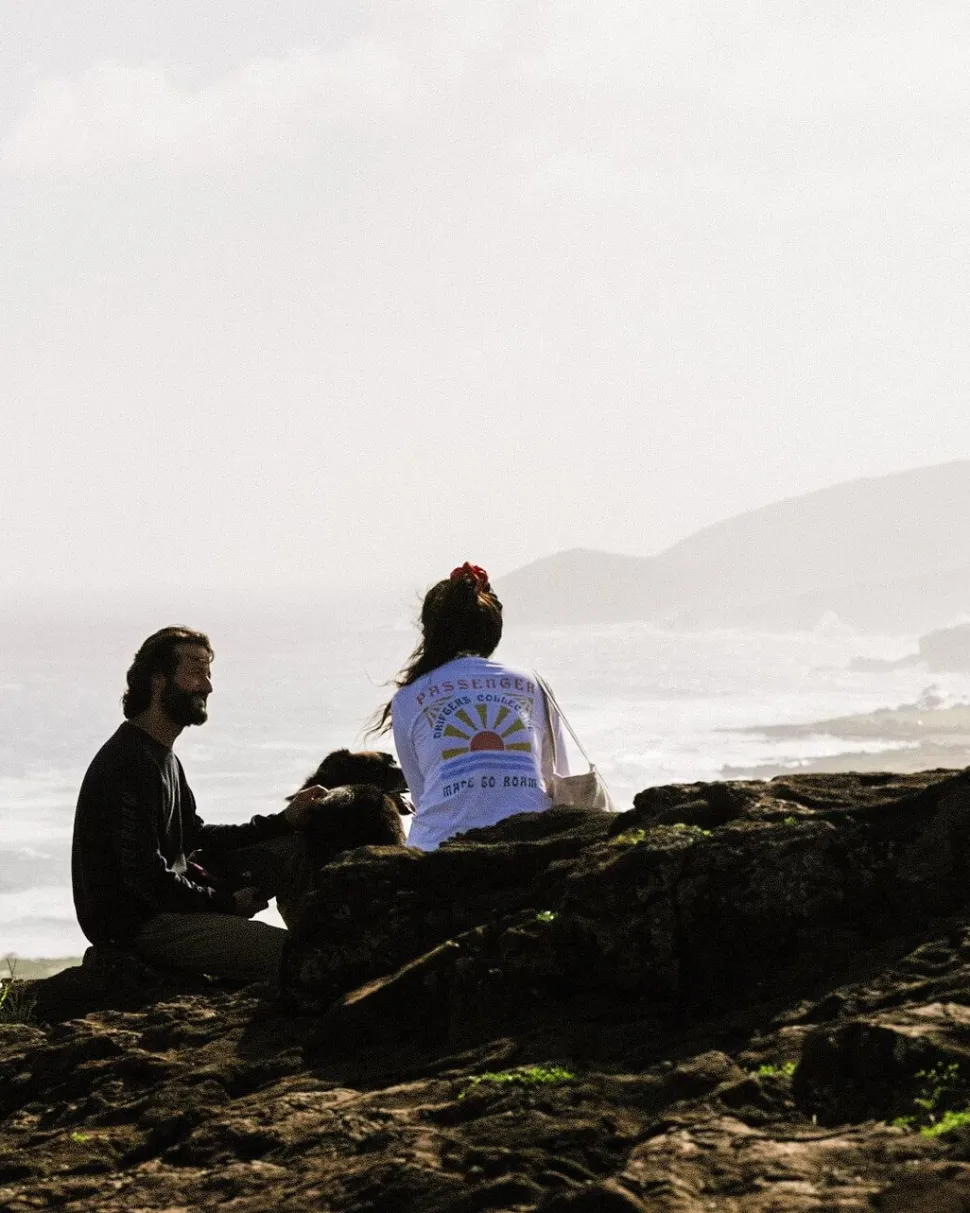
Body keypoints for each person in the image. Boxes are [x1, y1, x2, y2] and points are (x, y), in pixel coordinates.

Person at [71, 626, 322, 986]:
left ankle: (321, 938)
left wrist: (283, 821)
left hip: (173, 901)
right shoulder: (128, 762)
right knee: (293, 954)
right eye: (196, 672)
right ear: (158, 681)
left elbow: (195, 835)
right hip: (143, 925)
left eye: (208, 673)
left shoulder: (163, 757)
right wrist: (225, 903)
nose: (208, 686)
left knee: (293, 848)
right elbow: (144, 878)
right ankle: (315, 974)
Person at [374, 563, 568, 851]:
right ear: (494, 630)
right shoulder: (532, 683)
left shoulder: (408, 698)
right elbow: (558, 776)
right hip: (529, 844)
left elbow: (422, 794)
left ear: (431, 632)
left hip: (437, 849)